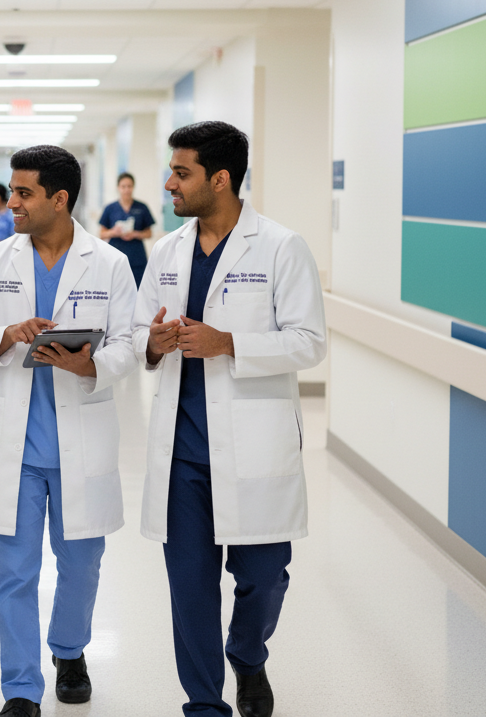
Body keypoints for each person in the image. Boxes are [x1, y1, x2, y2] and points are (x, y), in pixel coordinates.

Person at [132, 122, 325, 717]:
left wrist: (229, 343)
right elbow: (140, 332)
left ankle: (247, 652)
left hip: (254, 445)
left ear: (221, 179)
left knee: (263, 578)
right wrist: (156, 343)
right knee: (189, 588)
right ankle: (203, 705)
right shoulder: (166, 251)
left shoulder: (280, 246)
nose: (168, 183)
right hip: (183, 452)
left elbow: (309, 342)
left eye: (181, 172)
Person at [0, 145, 139, 717]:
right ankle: (20, 688)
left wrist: (91, 364)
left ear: (59, 199)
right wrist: (8, 334)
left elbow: (129, 344)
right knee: (14, 572)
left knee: (81, 566)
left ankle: (69, 650)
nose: (12, 203)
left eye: (23, 193)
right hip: (16, 446)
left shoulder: (108, 264)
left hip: (79, 441)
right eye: (11, 191)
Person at [98, 172, 156, 287]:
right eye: (123, 186)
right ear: (118, 188)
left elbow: (149, 233)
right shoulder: (110, 208)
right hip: (115, 255)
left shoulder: (142, 207)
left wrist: (135, 234)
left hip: (137, 258)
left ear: (133, 187)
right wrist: (114, 232)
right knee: (115, 289)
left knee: (138, 289)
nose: (126, 190)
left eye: (129, 186)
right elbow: (102, 234)